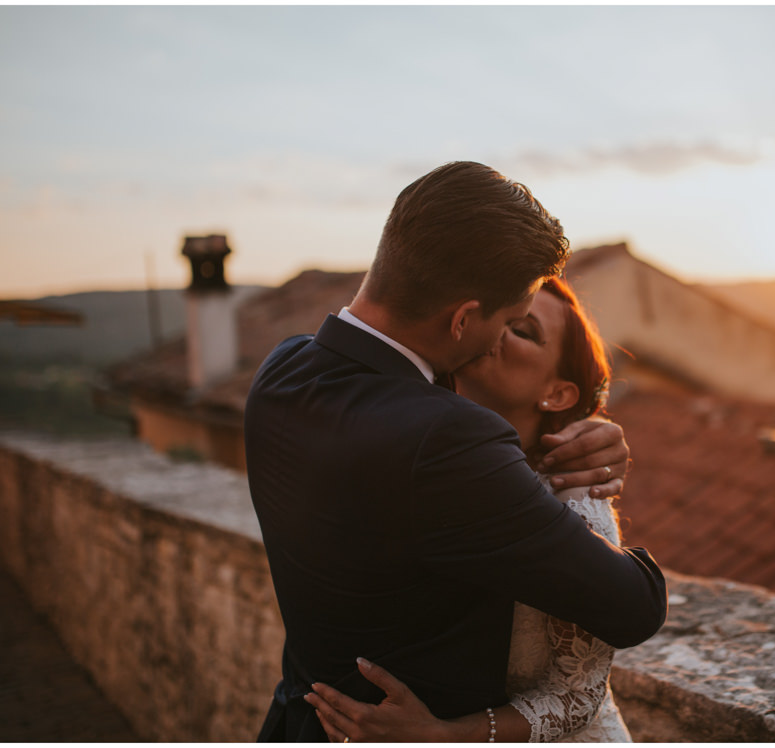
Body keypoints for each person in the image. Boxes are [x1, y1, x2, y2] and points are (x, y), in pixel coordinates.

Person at [245, 161, 667, 742]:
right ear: (465, 318)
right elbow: (633, 607)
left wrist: (584, 428)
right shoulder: (445, 441)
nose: (501, 340)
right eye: (511, 321)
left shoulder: (281, 371)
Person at [306, 277, 633, 742]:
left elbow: (579, 696)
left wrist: (441, 734)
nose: (499, 329)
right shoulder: (419, 445)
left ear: (557, 394)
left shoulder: (575, 506)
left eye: (523, 330)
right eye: (501, 314)